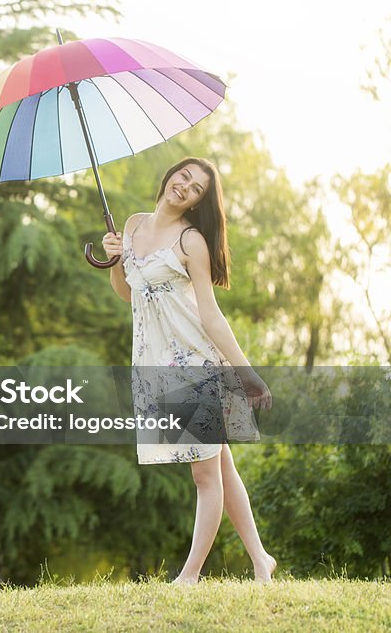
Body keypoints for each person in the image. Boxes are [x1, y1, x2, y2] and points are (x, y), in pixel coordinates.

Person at [101, 157, 277, 584]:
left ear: (198, 201)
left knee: (203, 471)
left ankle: (190, 574)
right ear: (169, 174)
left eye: (196, 187)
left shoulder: (191, 240)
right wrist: (116, 259)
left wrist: (246, 373)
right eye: (183, 176)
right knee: (219, 466)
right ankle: (261, 560)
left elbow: (211, 314)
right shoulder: (133, 225)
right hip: (154, 360)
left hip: (194, 360)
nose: (185, 186)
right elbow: (127, 294)